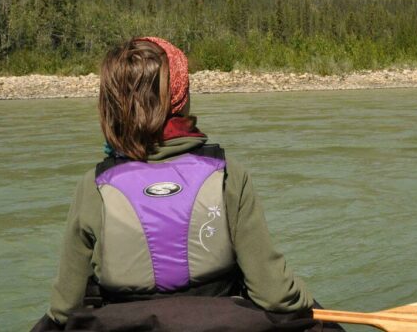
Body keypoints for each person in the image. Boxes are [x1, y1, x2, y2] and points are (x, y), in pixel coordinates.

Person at [33, 37, 322, 331]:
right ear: (180, 99)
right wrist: (310, 304)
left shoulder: (93, 186)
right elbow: (275, 294)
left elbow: (64, 309)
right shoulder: (228, 175)